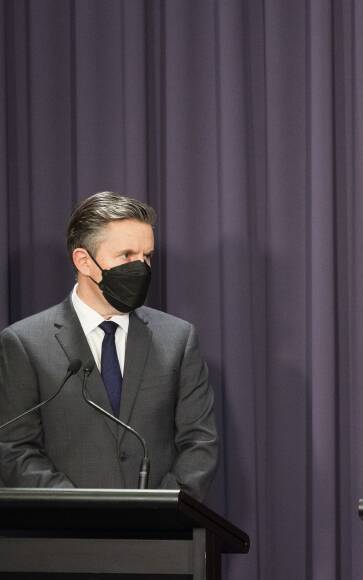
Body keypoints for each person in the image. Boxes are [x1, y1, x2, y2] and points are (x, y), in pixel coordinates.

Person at [0, 191, 218, 498]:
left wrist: (159, 511)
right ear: (84, 261)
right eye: (127, 255)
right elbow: (13, 448)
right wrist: (83, 510)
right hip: (67, 537)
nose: (141, 268)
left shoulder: (178, 339)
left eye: (147, 256)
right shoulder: (24, 344)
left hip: (161, 536)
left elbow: (200, 444)